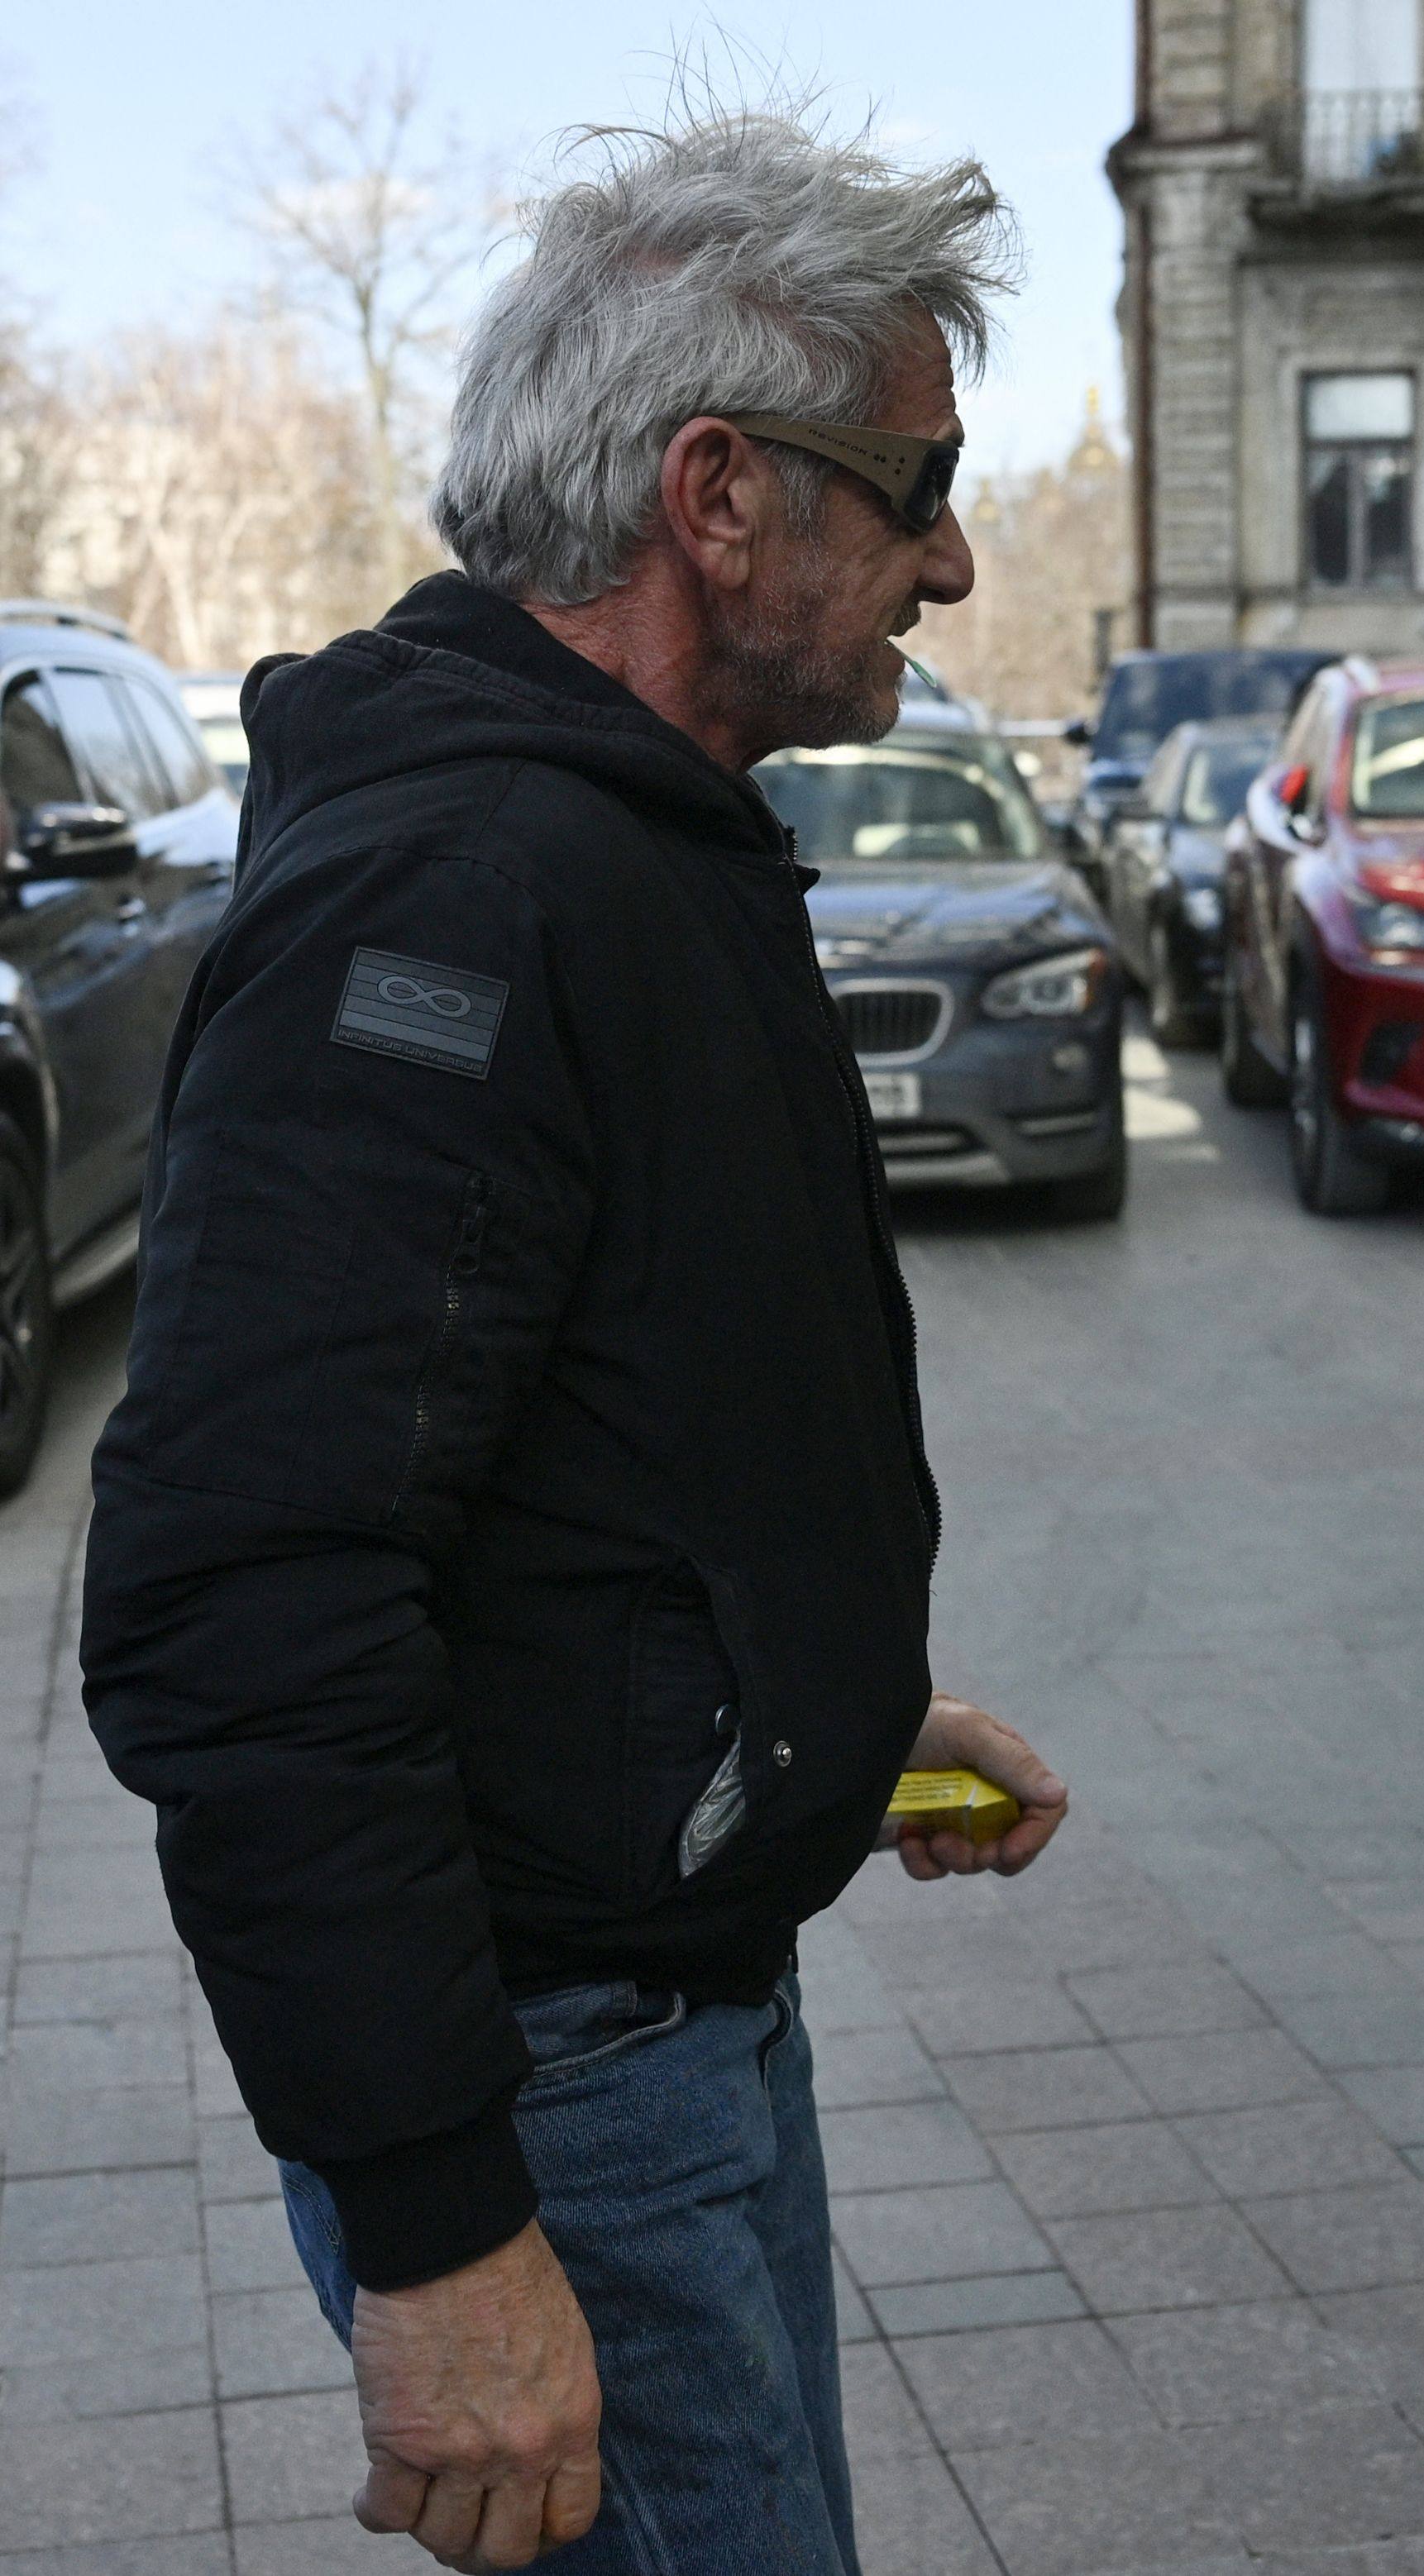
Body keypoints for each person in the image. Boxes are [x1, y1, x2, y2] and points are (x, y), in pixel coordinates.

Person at [82, 108, 1066, 2575]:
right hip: (559, 2094)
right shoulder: (461, 885)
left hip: (674, 2007)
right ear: (717, 492)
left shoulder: (629, 834)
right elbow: (245, 1590)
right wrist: (437, 2229)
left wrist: (820, 1706)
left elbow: (594, 1419)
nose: (953, 554)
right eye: (916, 477)